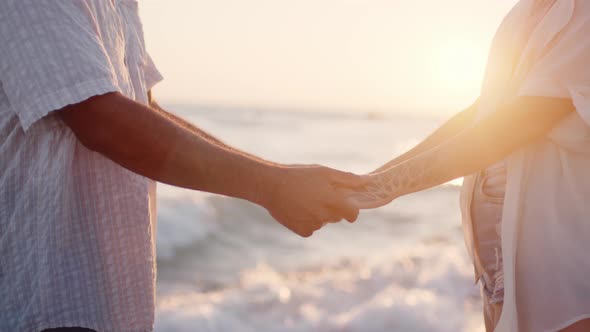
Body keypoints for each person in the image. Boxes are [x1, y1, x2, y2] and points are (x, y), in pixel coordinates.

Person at [0, 2, 364, 332]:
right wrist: (272, 186)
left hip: (113, 309)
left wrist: (279, 177)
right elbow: (100, 119)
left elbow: (144, 108)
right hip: (44, 307)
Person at [350, 0, 590, 331]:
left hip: (563, 276)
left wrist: (381, 188)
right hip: (503, 272)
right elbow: (483, 114)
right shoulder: (525, 13)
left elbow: (519, 123)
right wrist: (367, 182)